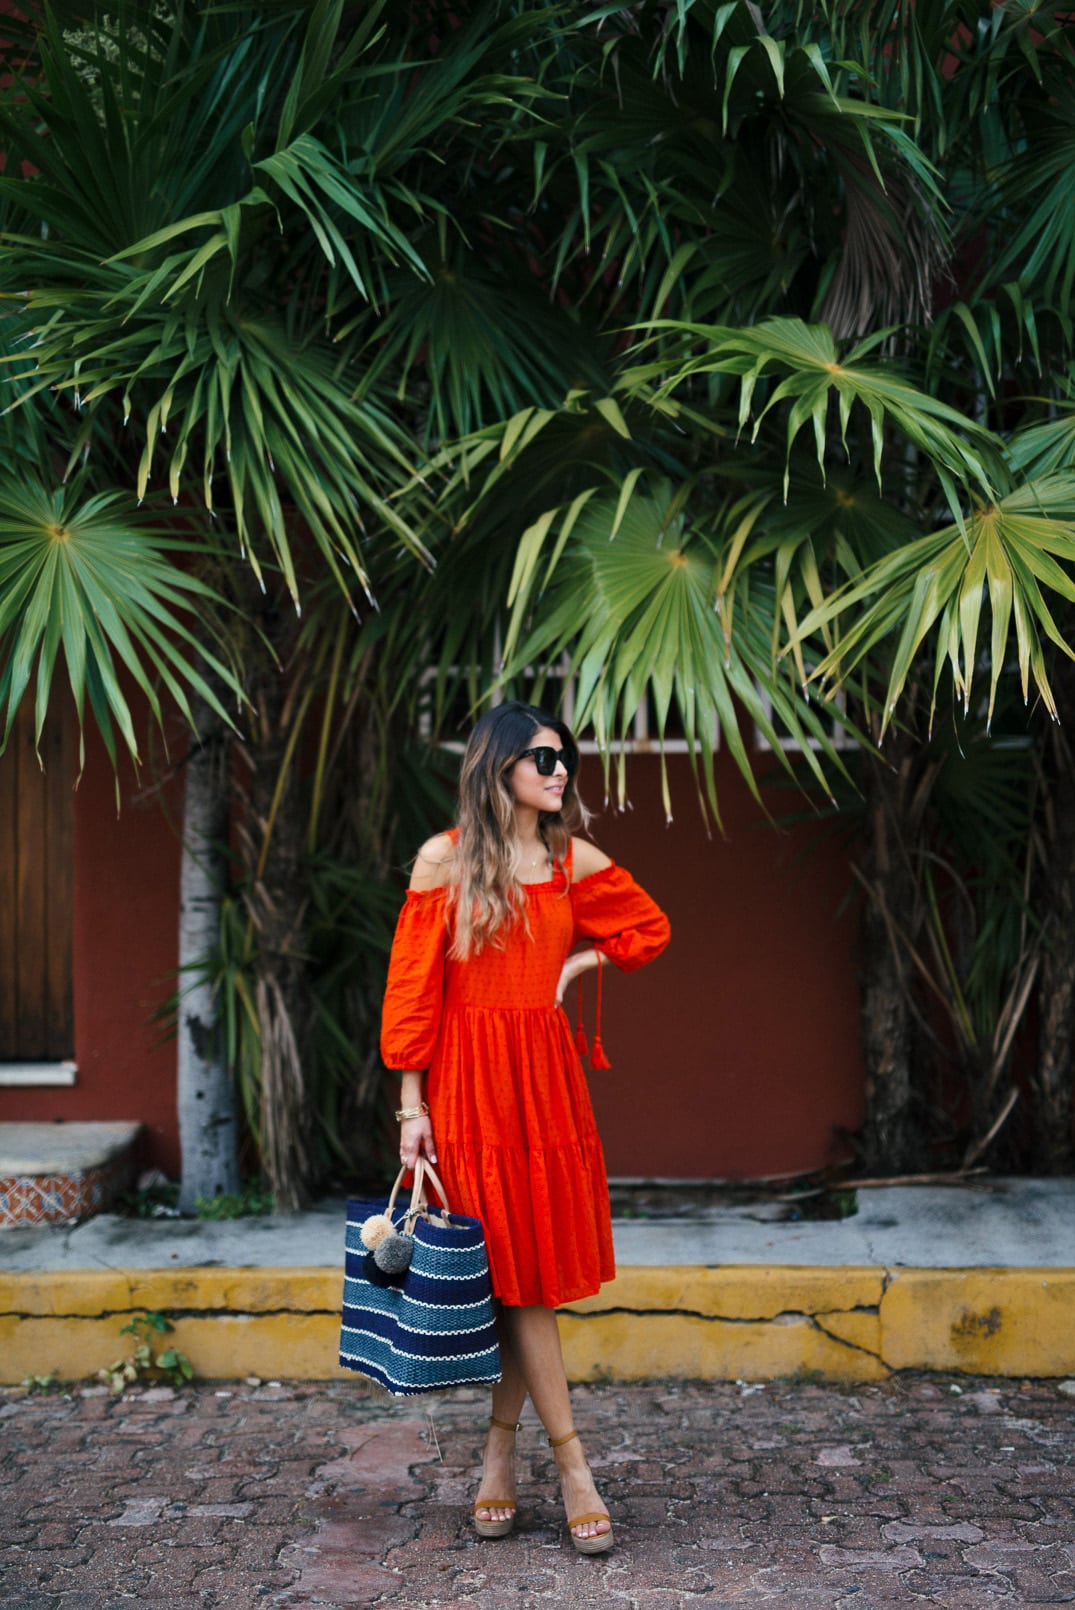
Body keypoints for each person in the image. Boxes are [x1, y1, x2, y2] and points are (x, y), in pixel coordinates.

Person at [380, 701, 670, 1554]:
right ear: (496, 765)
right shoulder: (446, 859)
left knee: (525, 1274)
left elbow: (648, 928)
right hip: (467, 1086)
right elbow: (412, 993)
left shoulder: (571, 860)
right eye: (542, 758)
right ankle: (572, 1466)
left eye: (564, 759)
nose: (559, 772)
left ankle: (500, 1458)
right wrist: (410, 1108)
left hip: (544, 1086)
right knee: (513, 1278)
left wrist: (583, 959)